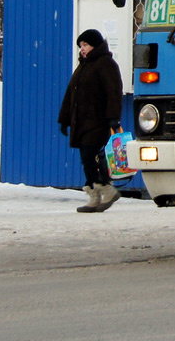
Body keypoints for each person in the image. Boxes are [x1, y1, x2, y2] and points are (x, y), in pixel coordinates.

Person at [58, 29, 124, 213]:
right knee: (86, 158)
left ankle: (107, 189)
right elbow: (70, 94)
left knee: (90, 156)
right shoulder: (84, 66)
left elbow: (114, 92)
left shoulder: (106, 63)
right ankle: (94, 197)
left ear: (95, 45)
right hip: (82, 121)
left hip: (97, 120)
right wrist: (64, 119)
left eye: (85, 45)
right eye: (80, 46)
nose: (82, 49)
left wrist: (113, 118)